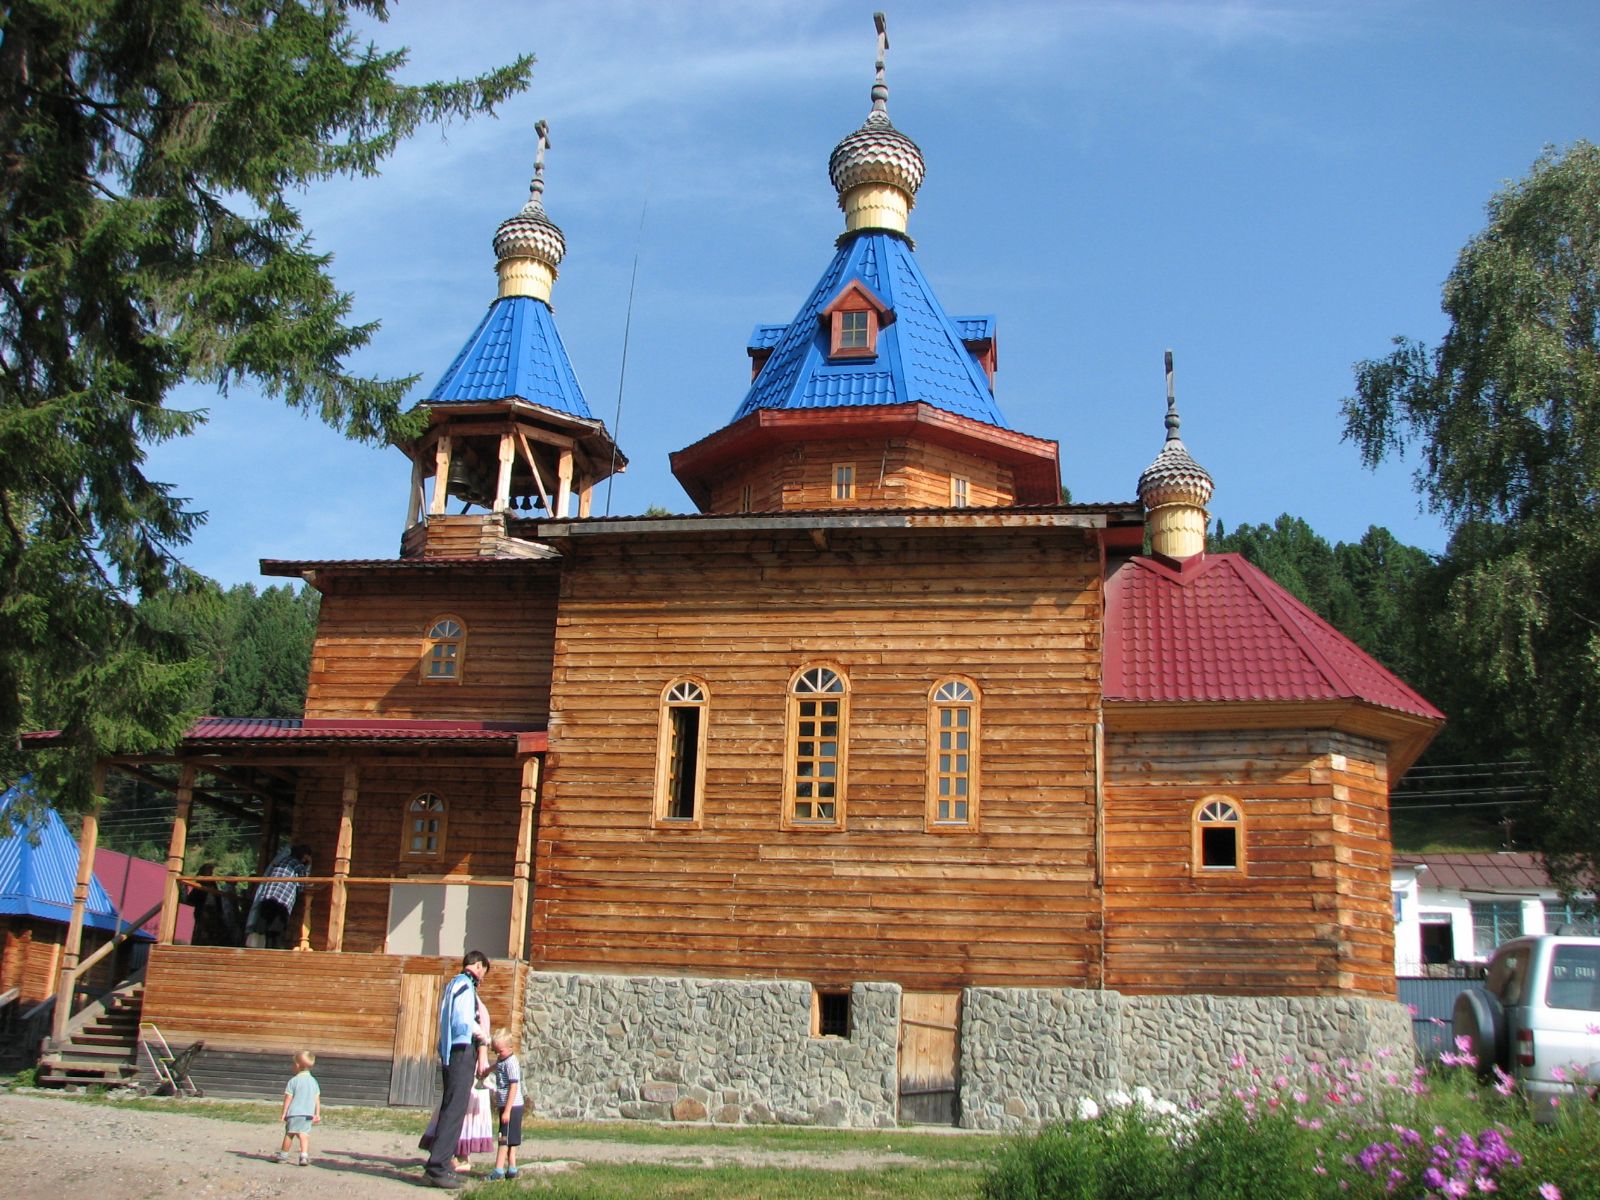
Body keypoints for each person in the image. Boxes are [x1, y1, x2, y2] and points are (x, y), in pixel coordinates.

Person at [423, 950, 491, 1190]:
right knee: (454, 1109)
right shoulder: (463, 985)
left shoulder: (457, 984)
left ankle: (442, 1164)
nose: (482, 978)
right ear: (479, 966)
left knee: (454, 1108)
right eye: (484, 971)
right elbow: (462, 1020)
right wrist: (481, 1034)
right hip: (461, 1051)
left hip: (456, 1052)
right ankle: (436, 1168)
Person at [246, 844, 312, 949]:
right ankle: (274, 952)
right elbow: (302, 885)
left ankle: (257, 950)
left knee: (263, 926)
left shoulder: (282, 860)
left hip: (267, 896)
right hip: (282, 899)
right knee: (277, 929)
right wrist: (309, 865)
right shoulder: (298, 865)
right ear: (304, 856)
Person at [486, 1027, 523, 1181]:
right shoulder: (503, 1059)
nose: (498, 1055)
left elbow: (513, 1087)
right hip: (505, 1106)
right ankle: (512, 1168)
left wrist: (507, 1110)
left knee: (504, 1139)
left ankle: (498, 1170)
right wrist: (488, 1069)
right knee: (510, 1139)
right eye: (495, 1052)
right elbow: (498, 1065)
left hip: (512, 1107)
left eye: (500, 1051)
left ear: (510, 1047)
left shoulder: (512, 1063)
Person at [273, 1049, 321, 1166]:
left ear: (297, 1065)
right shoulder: (313, 1082)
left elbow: (288, 1098)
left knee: (290, 1134)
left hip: (294, 1113)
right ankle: (304, 1156)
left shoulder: (293, 1081)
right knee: (304, 1135)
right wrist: (317, 1113)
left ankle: (283, 1155)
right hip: (308, 1114)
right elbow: (317, 1099)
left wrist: (284, 1113)